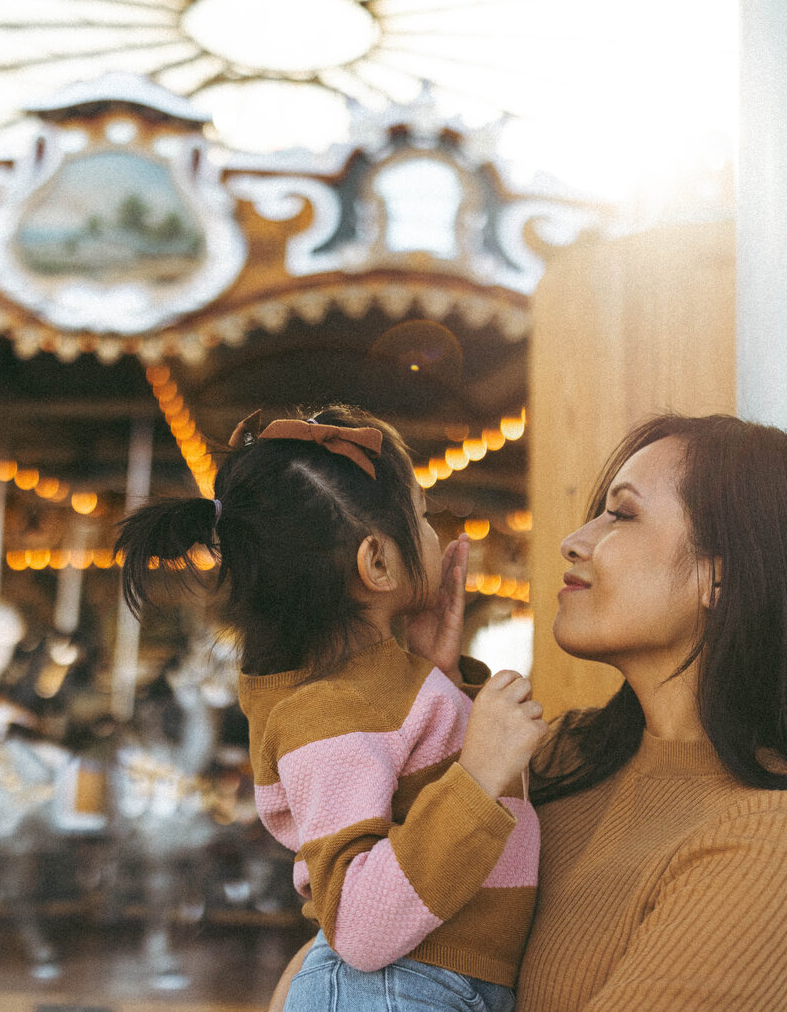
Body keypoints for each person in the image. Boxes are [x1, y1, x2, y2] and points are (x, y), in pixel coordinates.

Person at [117, 404, 547, 1012]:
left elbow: (418, 786)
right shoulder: (328, 713)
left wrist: (442, 672)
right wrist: (478, 778)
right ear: (377, 562)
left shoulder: (374, 687)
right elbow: (362, 926)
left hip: (433, 979)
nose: (435, 532)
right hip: (394, 987)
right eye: (421, 516)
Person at [512, 414, 787, 1011]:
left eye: (622, 514)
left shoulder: (781, 838)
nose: (574, 539)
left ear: (722, 573)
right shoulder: (562, 754)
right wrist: (414, 678)